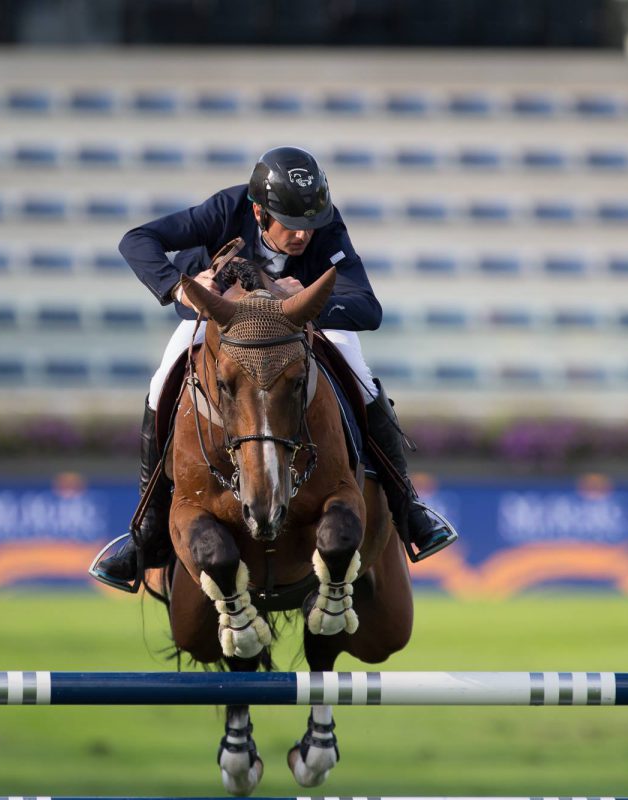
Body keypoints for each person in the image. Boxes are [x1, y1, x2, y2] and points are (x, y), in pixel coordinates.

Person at [90, 146, 458, 592]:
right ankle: (145, 530)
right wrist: (177, 289)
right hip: (219, 325)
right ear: (259, 212)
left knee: (360, 379)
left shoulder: (326, 223)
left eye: (310, 225)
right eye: (292, 225)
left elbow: (368, 307)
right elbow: (137, 239)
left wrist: (304, 301)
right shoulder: (228, 207)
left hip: (297, 327)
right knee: (160, 383)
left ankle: (408, 508)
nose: (304, 235)